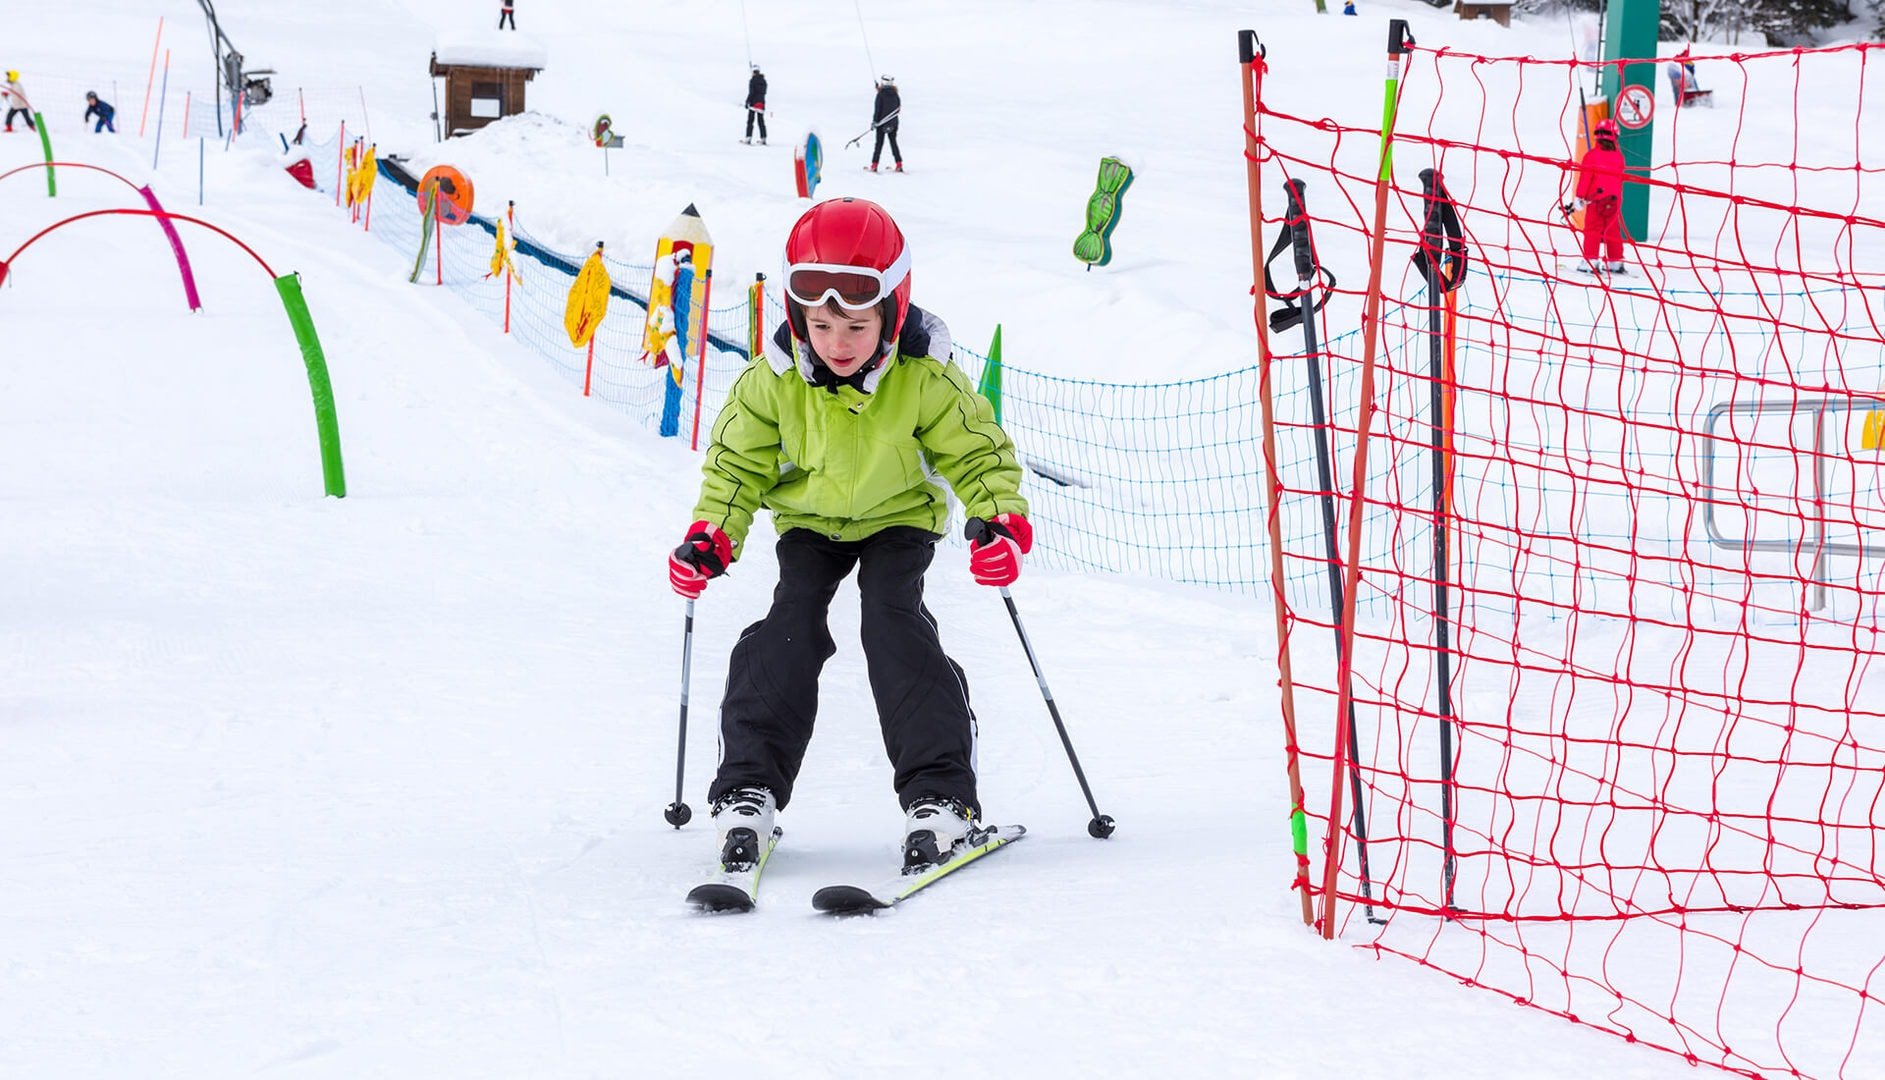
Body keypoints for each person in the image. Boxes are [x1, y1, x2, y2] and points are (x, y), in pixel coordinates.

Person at [669, 196, 1030, 874]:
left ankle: (940, 797)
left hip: (898, 519)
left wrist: (998, 520)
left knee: (891, 621)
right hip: (810, 522)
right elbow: (736, 466)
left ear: (892, 315)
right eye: (821, 324)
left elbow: (977, 454)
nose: (837, 344)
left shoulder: (924, 377)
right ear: (796, 316)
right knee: (789, 623)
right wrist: (711, 535)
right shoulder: (771, 381)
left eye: (856, 327)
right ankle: (749, 787)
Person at [1565, 117, 1626, 274]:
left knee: (1593, 229)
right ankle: (1615, 261)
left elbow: (1585, 178)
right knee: (1612, 229)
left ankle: (1591, 260)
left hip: (1595, 200)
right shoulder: (1619, 157)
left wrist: (1579, 197)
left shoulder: (1591, 156)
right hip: (1614, 200)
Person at [868, 75, 901, 172]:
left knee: (879, 144)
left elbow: (877, 110)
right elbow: (897, 106)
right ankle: (899, 164)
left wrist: (874, 122)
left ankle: (874, 165)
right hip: (894, 124)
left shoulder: (880, 95)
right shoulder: (895, 94)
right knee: (893, 143)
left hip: (881, 124)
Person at [743, 64, 767, 145]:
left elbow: (751, 93)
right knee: (761, 121)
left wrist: (747, 102)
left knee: (750, 121)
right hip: (762, 103)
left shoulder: (752, 80)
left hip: (753, 104)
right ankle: (763, 138)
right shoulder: (764, 81)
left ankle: (748, 138)